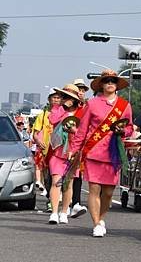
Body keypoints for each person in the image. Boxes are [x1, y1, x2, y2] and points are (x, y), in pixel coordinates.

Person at [69, 70, 133, 237]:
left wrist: (123, 130)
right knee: (94, 189)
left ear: (117, 85)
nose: (110, 83)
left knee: (109, 192)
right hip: (93, 152)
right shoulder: (92, 104)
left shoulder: (124, 106)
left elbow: (130, 127)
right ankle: (96, 223)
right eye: (107, 81)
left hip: (113, 154)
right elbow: (82, 129)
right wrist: (74, 149)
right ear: (102, 85)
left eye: (113, 81)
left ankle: (101, 218)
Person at [47, 84, 83, 225]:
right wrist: (62, 107)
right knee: (56, 181)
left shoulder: (82, 111)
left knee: (68, 184)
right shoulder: (58, 109)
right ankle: (54, 213)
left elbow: (85, 129)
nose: (66, 99)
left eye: (69, 97)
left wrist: (75, 130)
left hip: (73, 152)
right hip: (57, 151)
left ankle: (64, 212)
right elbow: (52, 120)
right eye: (64, 96)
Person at [32, 89, 62, 203]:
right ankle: (51, 201)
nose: (56, 100)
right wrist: (39, 142)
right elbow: (35, 134)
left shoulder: (63, 113)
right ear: (49, 99)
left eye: (58, 98)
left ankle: (62, 199)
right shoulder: (42, 115)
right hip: (46, 151)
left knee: (59, 177)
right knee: (48, 178)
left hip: (59, 150)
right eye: (53, 97)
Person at [70, 78, 90, 219]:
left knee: (78, 176)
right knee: (66, 175)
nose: (81, 93)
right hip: (67, 145)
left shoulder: (88, 107)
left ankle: (75, 203)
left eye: (83, 90)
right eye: (78, 90)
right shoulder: (69, 107)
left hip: (82, 145)